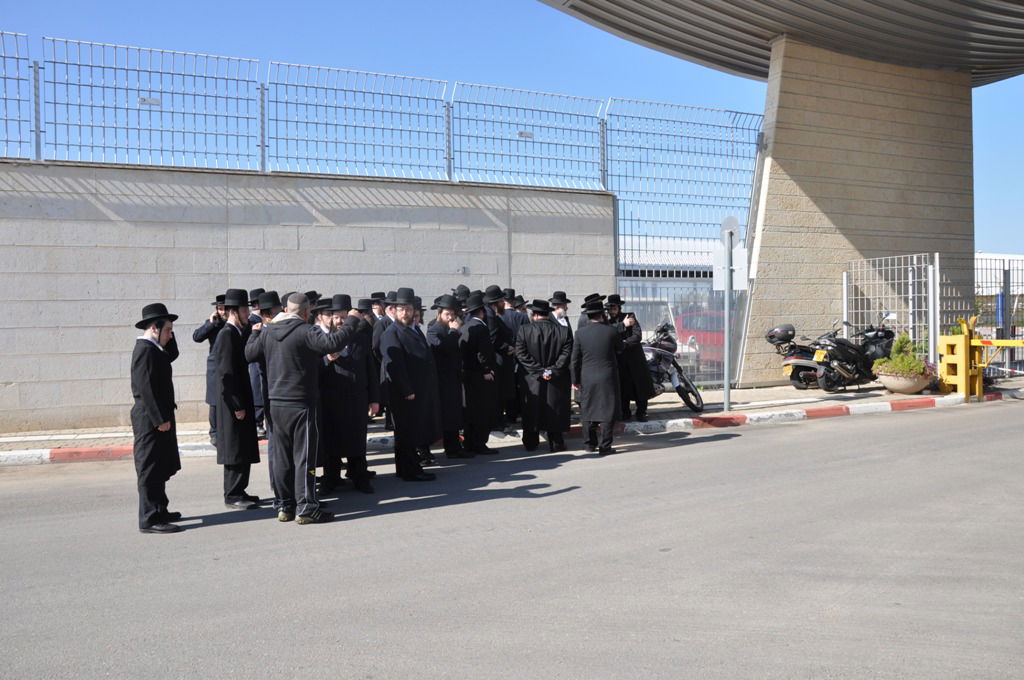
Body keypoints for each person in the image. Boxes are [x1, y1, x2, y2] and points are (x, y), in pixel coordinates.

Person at [244, 293, 362, 524]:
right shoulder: (306, 331)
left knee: (282, 457)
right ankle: (306, 507)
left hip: (276, 403)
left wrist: (255, 332)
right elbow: (333, 343)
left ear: (287, 310)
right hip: (301, 403)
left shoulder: (268, 331)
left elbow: (250, 354)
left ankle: (285, 505)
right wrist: (351, 321)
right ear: (307, 312)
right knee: (303, 456)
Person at [378, 288, 442, 481]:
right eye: (401, 309)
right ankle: (410, 471)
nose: (405, 313)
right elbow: (394, 365)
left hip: (419, 390)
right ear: (395, 311)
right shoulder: (392, 332)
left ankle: (408, 468)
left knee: (413, 432)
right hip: (406, 393)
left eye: (408, 309)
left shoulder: (413, 329)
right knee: (406, 433)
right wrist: (407, 390)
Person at [131, 303, 183, 534]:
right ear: (154, 328)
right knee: (149, 468)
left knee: (160, 466)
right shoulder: (144, 350)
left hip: (160, 418)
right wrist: (159, 418)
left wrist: (167, 329)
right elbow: (144, 390)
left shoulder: (156, 348)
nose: (171, 335)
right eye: (168, 330)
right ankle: (149, 518)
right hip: (150, 420)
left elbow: (173, 353)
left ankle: (160, 509)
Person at [320, 295, 380, 494]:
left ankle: (359, 477)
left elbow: (371, 370)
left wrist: (374, 399)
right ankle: (331, 478)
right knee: (332, 442)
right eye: (336, 317)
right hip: (331, 400)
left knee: (356, 441)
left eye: (344, 317)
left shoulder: (361, 338)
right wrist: (328, 360)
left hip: (356, 398)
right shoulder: (324, 340)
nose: (340, 321)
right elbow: (314, 369)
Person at [213, 289, 261, 510]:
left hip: (241, 400)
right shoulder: (226, 334)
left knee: (242, 447)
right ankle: (232, 494)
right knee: (234, 448)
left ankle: (240, 489)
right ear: (234, 311)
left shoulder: (239, 332)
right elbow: (225, 374)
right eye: (244, 310)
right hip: (233, 404)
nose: (248, 313)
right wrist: (237, 405)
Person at [515, 299, 573, 452]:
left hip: (532, 378)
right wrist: (551, 370)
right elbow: (566, 355)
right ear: (548, 314)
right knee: (555, 408)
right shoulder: (563, 331)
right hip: (556, 379)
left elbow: (521, 355)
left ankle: (530, 442)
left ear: (534, 315)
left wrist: (539, 371)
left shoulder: (524, 330)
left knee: (532, 409)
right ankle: (557, 442)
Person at [571, 298, 624, 455]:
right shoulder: (611, 331)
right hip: (607, 376)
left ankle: (589, 444)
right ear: (602, 314)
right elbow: (620, 349)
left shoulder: (579, 334)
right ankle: (605, 446)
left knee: (588, 409)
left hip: (587, 376)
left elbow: (574, 360)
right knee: (607, 410)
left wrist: (575, 380)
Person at [427, 294, 468, 458]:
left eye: (452, 314)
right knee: (448, 415)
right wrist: (453, 331)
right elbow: (442, 349)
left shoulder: (450, 329)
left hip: (453, 377)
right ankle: (451, 448)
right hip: (442, 379)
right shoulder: (434, 330)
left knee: (454, 414)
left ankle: (455, 446)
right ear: (439, 314)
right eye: (447, 314)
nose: (450, 318)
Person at [605, 294, 655, 421]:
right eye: (610, 309)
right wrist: (622, 325)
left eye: (614, 309)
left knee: (639, 386)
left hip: (635, 358)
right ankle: (625, 412)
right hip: (620, 360)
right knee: (623, 387)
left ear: (619, 308)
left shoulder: (630, 317)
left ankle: (641, 412)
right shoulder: (609, 323)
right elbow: (608, 334)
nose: (612, 312)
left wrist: (624, 343)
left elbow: (637, 336)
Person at [459, 292, 498, 455]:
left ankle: (469, 442)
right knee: (482, 410)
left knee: (470, 410)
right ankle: (479, 443)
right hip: (479, 375)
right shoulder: (481, 328)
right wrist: (487, 370)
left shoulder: (464, 327)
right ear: (481, 312)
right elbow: (483, 353)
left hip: (467, 374)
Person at [192, 293, 225, 446]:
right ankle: (214, 432)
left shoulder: (234, 324)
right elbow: (197, 337)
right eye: (220, 309)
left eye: (224, 308)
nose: (222, 312)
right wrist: (210, 324)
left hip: (230, 366)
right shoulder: (213, 323)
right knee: (214, 400)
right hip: (214, 368)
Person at [483, 285, 515, 429]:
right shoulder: (490, 315)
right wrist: (507, 347)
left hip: (500, 359)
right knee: (498, 393)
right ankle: (496, 421)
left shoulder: (492, 313)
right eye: (502, 300)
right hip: (498, 359)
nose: (504, 303)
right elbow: (492, 338)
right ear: (496, 301)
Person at [247, 288, 266, 438]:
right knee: (257, 392)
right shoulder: (251, 321)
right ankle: (257, 422)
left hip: (266, 362)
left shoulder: (264, 320)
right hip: (254, 363)